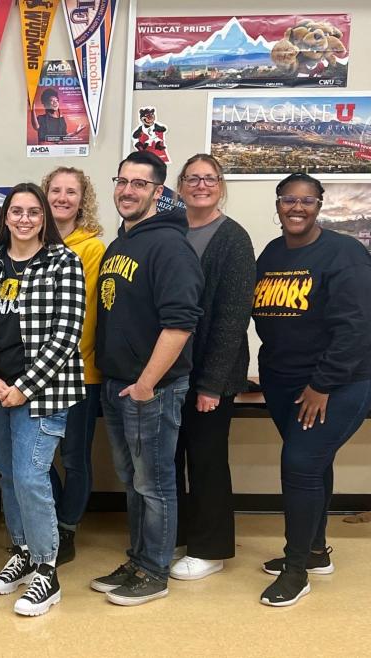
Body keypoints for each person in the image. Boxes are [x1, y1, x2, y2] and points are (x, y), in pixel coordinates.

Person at [90, 151, 203, 606]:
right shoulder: (121, 244)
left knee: (153, 482)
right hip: (118, 385)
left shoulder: (170, 246)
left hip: (149, 389)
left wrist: (146, 384)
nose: (128, 190)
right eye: (123, 181)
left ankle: (154, 572)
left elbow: (180, 324)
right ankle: (138, 558)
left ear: (158, 192)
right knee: (132, 480)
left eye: (140, 184)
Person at [253, 173, 371, 606]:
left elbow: (357, 329)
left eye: (307, 200)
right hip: (283, 383)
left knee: (300, 464)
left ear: (320, 204)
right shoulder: (271, 253)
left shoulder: (344, 254)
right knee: (313, 465)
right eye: (288, 199)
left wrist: (322, 384)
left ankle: (296, 568)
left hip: (337, 385)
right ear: (279, 203)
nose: (296, 208)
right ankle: (316, 551)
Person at [0, 182, 85, 616]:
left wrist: (22, 387)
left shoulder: (64, 262)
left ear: (44, 218)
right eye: (15, 211)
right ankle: (21, 549)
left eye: (33, 212)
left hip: (43, 393)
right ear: (5, 218)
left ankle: (46, 570)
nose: (23, 219)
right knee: (7, 475)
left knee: (31, 476)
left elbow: (66, 336)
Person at [170, 154, 256, 581]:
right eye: (192, 179)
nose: (200, 185)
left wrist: (211, 383)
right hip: (170, 371)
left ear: (220, 185)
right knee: (170, 458)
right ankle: (182, 535)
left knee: (205, 460)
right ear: (180, 185)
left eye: (209, 179)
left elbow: (232, 317)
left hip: (209, 374)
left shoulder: (233, 238)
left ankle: (211, 548)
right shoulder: (170, 229)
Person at [42, 167, 105, 563]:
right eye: (55, 190)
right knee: (36, 458)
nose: (62, 198)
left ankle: (66, 530)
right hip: (37, 375)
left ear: (83, 200)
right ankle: (47, 520)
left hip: (80, 372)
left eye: (71, 192)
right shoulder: (32, 242)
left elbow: (87, 315)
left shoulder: (93, 249)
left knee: (74, 459)